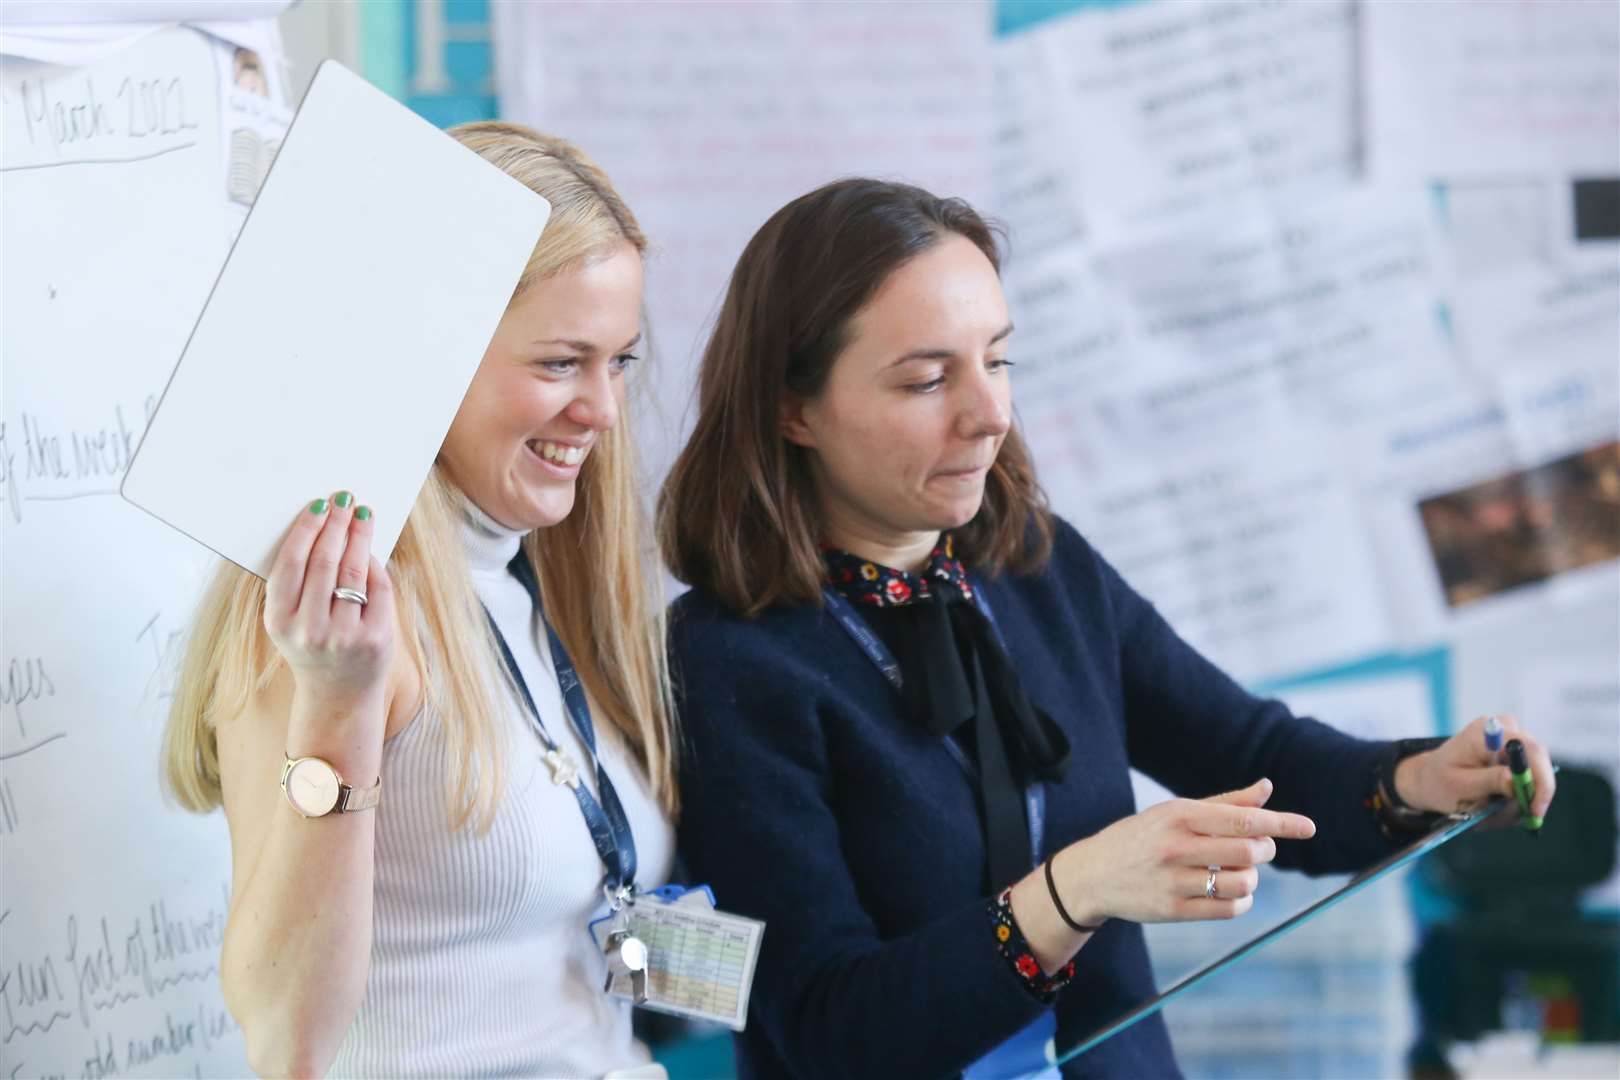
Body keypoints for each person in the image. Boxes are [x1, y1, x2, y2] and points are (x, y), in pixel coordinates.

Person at [658, 178, 1558, 1078]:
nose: (989, 414)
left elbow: (1254, 750)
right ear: (793, 408)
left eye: (998, 360)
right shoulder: (725, 662)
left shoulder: (1038, 565)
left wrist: (1420, 778)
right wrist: (1073, 891)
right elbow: (825, 1029)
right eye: (928, 379)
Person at [162, 122, 679, 1079]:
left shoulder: (535, 584)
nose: (603, 410)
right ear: (426, 361)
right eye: (562, 363)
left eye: (620, 362)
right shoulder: (324, 621)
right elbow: (286, 1040)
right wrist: (335, 703)